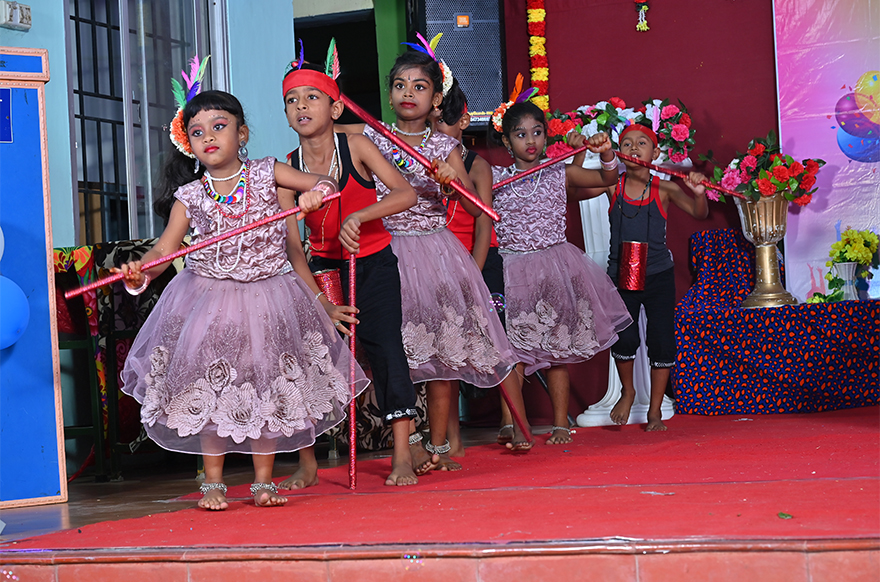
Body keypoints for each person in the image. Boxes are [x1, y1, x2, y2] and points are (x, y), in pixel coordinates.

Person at [117, 88, 369, 511]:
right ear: (189, 144)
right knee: (210, 390)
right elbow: (162, 251)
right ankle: (213, 483)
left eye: (219, 127)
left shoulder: (268, 172)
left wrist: (316, 194)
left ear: (243, 133)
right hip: (209, 303)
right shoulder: (190, 197)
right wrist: (141, 269)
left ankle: (263, 482)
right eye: (198, 132)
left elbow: (327, 184)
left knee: (265, 387)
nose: (209, 137)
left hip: (269, 298)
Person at [357, 46, 531, 460]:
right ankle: (410, 442)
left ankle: (439, 444)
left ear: (436, 99)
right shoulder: (370, 137)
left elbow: (476, 208)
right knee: (393, 349)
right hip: (384, 249)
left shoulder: (442, 145)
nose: (408, 93)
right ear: (389, 94)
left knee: (441, 351)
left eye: (419, 87)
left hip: (434, 254)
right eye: (400, 85)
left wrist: (452, 182)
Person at [277, 55, 433, 487]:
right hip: (323, 273)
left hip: (373, 265)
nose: (302, 105)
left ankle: (401, 453)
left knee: (385, 350)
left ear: (335, 108)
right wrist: (322, 304)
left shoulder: (357, 146)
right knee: (310, 358)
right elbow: (294, 250)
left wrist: (360, 216)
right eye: (292, 100)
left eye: (313, 97)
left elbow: (405, 194)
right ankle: (308, 463)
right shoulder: (287, 169)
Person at [489, 94, 633, 445]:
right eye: (520, 134)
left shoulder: (559, 171)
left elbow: (608, 178)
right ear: (506, 141)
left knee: (557, 352)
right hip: (512, 273)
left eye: (537, 132)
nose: (531, 140)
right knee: (513, 353)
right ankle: (514, 423)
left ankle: (559, 425)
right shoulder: (494, 178)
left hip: (553, 270)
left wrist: (607, 153)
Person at [585, 123, 708, 431]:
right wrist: (593, 156)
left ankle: (655, 410)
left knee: (661, 340)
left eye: (642, 143)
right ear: (619, 152)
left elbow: (699, 213)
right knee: (625, 338)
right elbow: (574, 190)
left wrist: (699, 194)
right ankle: (628, 392)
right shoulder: (612, 185)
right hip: (621, 275)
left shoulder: (665, 188)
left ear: (655, 153)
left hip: (658, 275)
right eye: (627, 143)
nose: (634, 148)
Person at [433, 79, 500, 457]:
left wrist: (474, 271)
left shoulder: (476, 165)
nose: (438, 129)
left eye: (444, 121)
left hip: (474, 263)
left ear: (463, 121)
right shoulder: (421, 159)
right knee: (448, 352)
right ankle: (451, 439)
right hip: (437, 265)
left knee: (492, 345)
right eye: (433, 123)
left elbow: (483, 221)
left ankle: (513, 422)